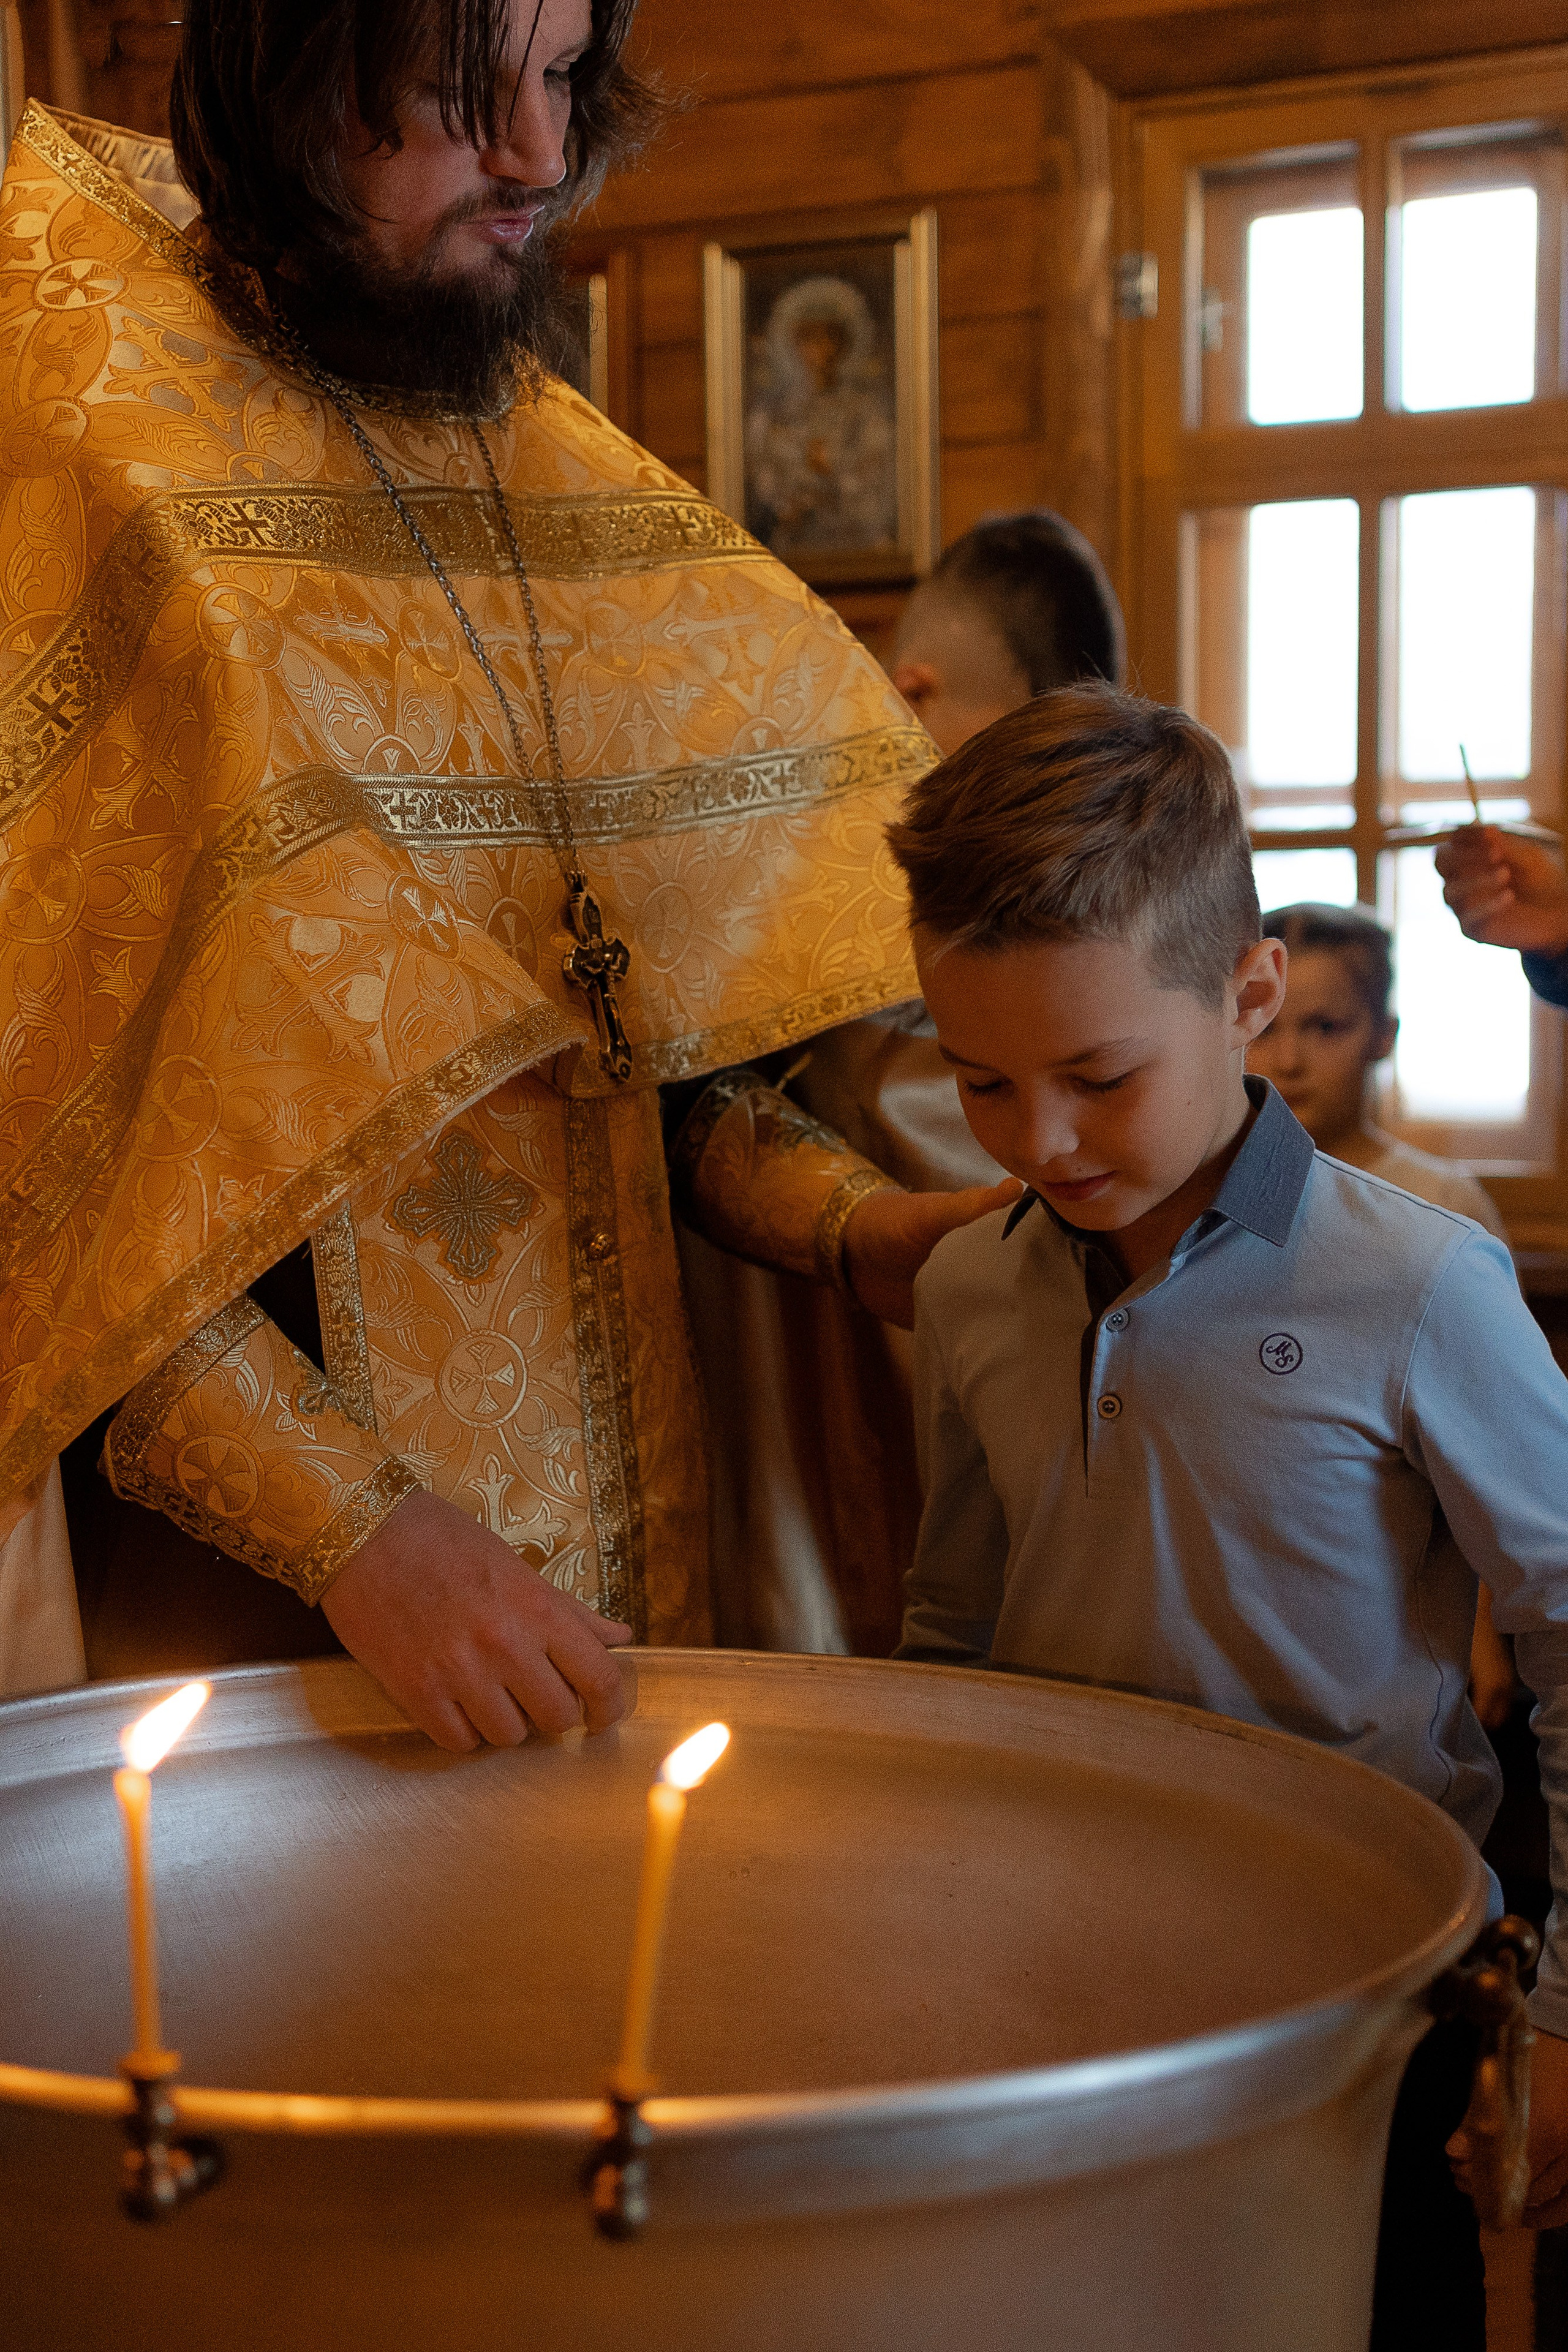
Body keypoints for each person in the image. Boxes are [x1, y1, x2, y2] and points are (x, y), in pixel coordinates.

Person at [0, 0, 1015, 1743]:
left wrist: (861, 1235)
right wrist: (362, 1537)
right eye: (470, 97)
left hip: (633, 1583)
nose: (546, 159)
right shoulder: (83, 456)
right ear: (303, 82)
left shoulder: (519, 437)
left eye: (559, 80)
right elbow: (52, 1150)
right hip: (260, 1641)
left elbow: (620, 1028)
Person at [888, 682, 1568, 2343]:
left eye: (1099, 1077)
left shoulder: (1415, 1280)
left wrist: (1566, 2016)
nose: (1038, 1141)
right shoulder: (972, 1288)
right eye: (979, 1084)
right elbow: (952, 1644)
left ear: (1250, 993)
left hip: (1364, 2017)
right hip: (1058, 2002)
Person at [681, 513, 1123, 1654]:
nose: (1018, 836)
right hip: (797, 1367)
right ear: (905, 692)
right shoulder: (773, 863)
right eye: (1003, 759)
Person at [1246, 900, 1517, 1730]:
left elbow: (1488, 1448)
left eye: (1326, 1027)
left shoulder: (1441, 1205)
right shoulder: (1222, 1197)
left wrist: (1481, 1631)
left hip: (1405, 1598)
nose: (1290, 1059)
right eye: (1269, 1027)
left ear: (1384, 1034)